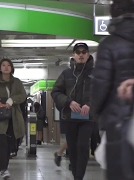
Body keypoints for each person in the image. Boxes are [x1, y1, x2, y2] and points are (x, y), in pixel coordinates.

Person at [91, 1, 134, 179]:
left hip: (118, 118)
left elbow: (101, 84)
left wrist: (96, 113)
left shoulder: (109, 44)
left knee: (120, 170)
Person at [51, 43, 94, 180]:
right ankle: (77, 175)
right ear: (73, 55)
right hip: (69, 117)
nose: (81, 54)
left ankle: (79, 177)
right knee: (73, 149)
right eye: (78, 52)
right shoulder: (66, 74)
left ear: (88, 54)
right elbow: (56, 92)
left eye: (84, 52)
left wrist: (90, 104)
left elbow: (103, 92)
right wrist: (69, 102)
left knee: (82, 146)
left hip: (87, 118)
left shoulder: (96, 74)